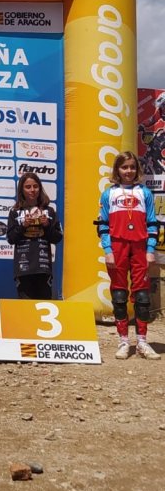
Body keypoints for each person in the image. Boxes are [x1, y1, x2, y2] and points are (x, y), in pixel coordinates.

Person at [96, 151, 159, 360]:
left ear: (137, 169)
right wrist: (108, 250)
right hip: (117, 247)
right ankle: (123, 342)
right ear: (117, 170)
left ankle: (142, 342)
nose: (129, 171)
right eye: (124, 167)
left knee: (142, 297)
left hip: (140, 248)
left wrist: (150, 250)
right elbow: (103, 225)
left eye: (132, 167)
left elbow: (152, 223)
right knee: (119, 296)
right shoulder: (109, 194)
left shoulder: (145, 193)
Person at [7, 171, 63, 299]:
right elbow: (10, 238)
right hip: (23, 269)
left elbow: (57, 237)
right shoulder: (15, 212)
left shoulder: (49, 211)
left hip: (43, 268)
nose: (32, 190)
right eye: (28, 187)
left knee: (43, 305)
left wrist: (47, 225)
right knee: (26, 307)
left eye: (35, 186)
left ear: (40, 188)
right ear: (21, 190)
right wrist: (23, 226)